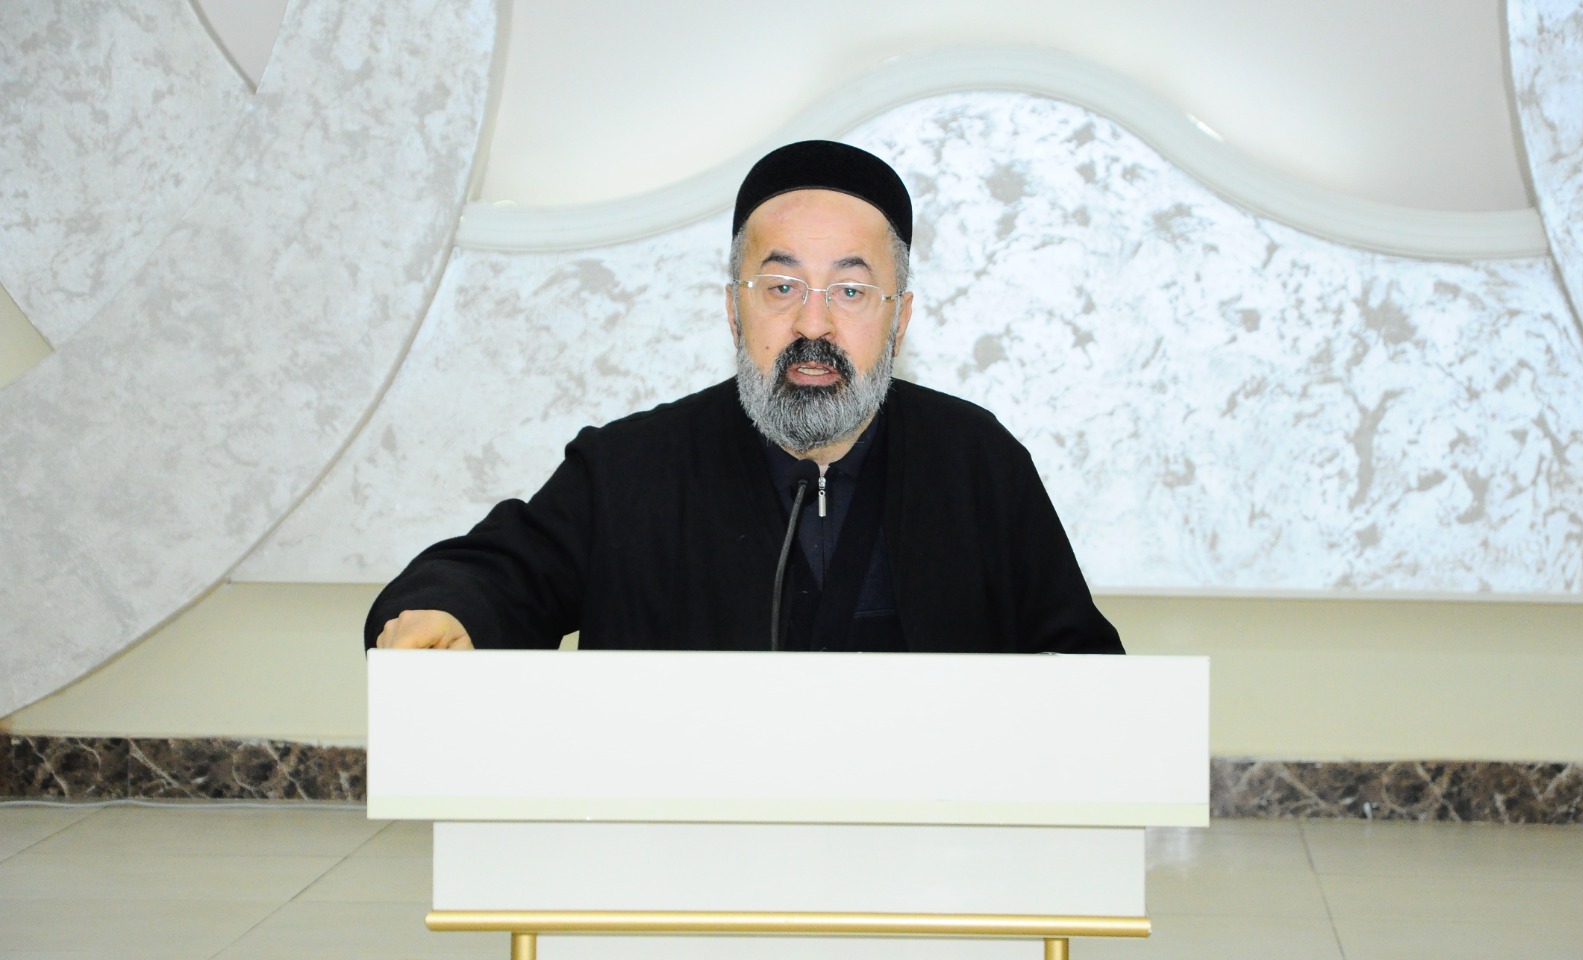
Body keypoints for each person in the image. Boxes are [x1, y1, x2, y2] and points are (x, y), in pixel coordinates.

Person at [366, 140, 1122, 654]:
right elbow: (496, 575)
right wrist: (452, 610)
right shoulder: (630, 469)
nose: (814, 325)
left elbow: (1081, 667)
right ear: (734, 308)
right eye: (782, 287)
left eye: (851, 290)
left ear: (900, 319)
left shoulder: (976, 462)